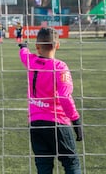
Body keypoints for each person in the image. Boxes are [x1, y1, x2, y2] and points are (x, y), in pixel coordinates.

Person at [18, 27, 83, 174]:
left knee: (43, 165)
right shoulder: (60, 67)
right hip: (57, 122)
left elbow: (24, 54)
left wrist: (23, 47)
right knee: (71, 162)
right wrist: (76, 120)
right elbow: (64, 96)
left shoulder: (31, 61)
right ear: (57, 45)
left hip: (36, 124)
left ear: (37, 46)